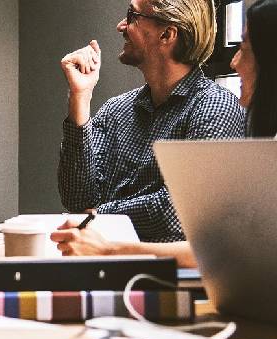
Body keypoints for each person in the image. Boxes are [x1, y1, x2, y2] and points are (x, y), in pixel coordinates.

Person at [51, 0, 277, 267]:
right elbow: (77, 199)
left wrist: (98, 215)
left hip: (171, 280)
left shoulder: (215, 107)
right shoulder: (115, 110)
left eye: (132, 16)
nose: (121, 26)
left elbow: (177, 212)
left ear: (167, 34)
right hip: (104, 270)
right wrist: (80, 99)